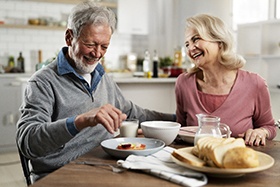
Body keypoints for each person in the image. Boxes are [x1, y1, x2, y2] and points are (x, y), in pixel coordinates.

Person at [16, 1, 175, 183]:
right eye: (90, 44)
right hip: (62, 175)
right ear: (69, 37)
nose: (97, 53)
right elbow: (28, 142)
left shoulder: (100, 75)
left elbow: (132, 112)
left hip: (104, 166)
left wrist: (178, 119)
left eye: (104, 47)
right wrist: (80, 121)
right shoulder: (43, 82)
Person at [175, 14, 277, 147]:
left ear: (220, 42)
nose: (190, 49)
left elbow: (269, 126)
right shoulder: (183, 83)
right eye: (187, 44)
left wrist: (261, 132)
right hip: (196, 161)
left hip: (238, 162)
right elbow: (180, 130)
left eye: (196, 39)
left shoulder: (255, 83)